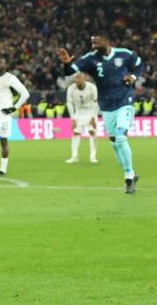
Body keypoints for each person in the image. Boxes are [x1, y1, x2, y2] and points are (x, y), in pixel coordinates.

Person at [58, 33, 146, 193]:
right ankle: (131, 171)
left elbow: (141, 65)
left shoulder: (124, 54)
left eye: (96, 42)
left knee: (120, 137)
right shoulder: (90, 58)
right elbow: (69, 71)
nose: (93, 46)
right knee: (114, 143)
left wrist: (133, 76)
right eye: (91, 43)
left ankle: (128, 175)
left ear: (106, 41)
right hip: (106, 106)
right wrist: (65, 63)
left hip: (124, 101)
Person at [65, 72, 99, 164]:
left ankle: (93, 156)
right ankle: (74, 156)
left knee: (92, 132)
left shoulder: (92, 87)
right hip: (79, 113)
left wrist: (93, 117)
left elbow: (95, 102)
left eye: (79, 78)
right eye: (76, 78)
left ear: (84, 79)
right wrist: (73, 119)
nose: (77, 80)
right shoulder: (71, 88)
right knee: (76, 133)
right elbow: (69, 103)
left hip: (90, 111)